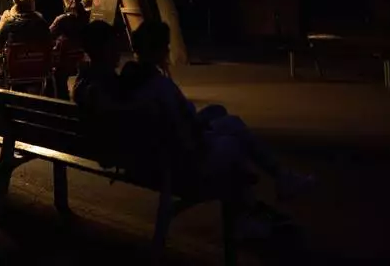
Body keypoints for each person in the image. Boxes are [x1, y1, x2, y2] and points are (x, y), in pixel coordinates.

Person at [125, 22, 314, 237]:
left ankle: (275, 183)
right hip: (179, 159)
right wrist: (204, 131)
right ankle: (251, 207)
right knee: (233, 140)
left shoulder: (132, 80)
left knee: (223, 116)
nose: (168, 51)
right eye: (165, 46)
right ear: (157, 50)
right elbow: (184, 126)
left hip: (158, 153)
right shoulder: (160, 87)